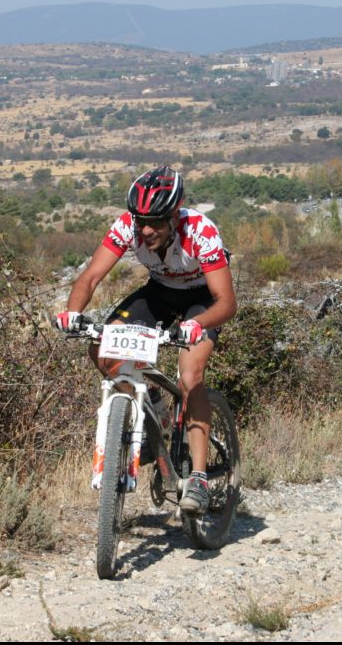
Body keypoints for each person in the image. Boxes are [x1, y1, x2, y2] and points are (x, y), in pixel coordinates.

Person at [56, 165, 236, 514]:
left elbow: (226, 302)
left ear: (174, 218)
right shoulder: (128, 226)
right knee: (101, 347)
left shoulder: (200, 232)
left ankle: (198, 478)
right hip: (160, 291)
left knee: (190, 376)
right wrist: (73, 313)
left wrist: (197, 324)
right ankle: (151, 410)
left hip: (204, 299)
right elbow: (91, 277)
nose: (146, 230)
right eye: (141, 222)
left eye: (155, 223)